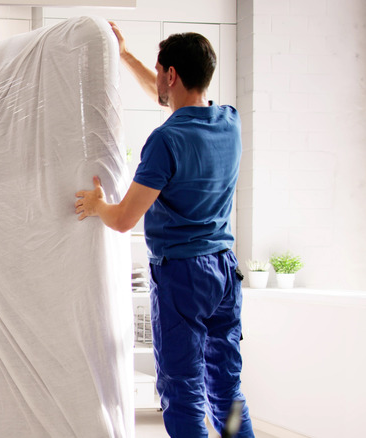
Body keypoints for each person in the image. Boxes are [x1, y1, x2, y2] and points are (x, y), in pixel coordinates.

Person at [74, 23, 254, 438]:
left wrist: (97, 205)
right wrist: (125, 55)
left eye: (159, 72)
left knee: (182, 389)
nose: (156, 80)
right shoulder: (230, 122)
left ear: (171, 74)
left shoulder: (165, 141)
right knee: (226, 387)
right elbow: (171, 100)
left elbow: (123, 219)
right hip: (225, 271)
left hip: (183, 276)